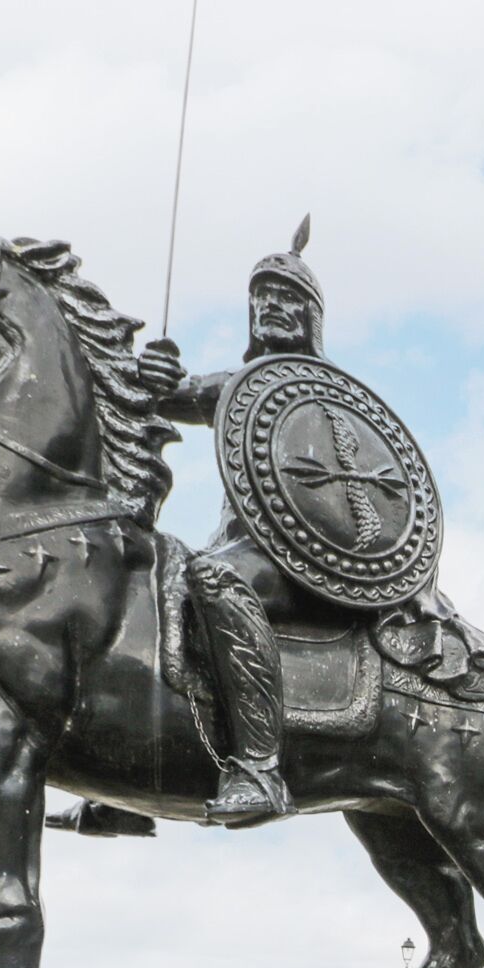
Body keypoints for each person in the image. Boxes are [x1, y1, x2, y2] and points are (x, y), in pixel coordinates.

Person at [136, 219, 331, 826]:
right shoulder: (234, 387)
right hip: (239, 543)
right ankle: (124, 785)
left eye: (286, 297)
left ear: (310, 316)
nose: (271, 305)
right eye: (262, 296)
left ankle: (259, 767)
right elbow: (168, 397)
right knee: (142, 571)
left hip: (297, 558)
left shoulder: (326, 395)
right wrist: (153, 378)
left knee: (216, 581)